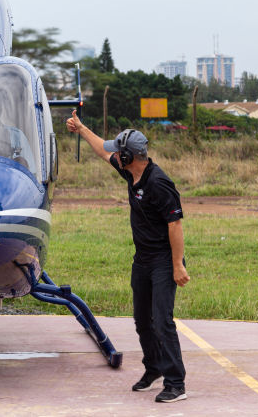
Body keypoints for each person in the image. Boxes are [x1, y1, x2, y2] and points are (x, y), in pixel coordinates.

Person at [67, 110, 190, 403]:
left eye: (118, 152)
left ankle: (176, 383)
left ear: (128, 156)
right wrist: (82, 129)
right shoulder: (130, 171)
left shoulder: (159, 183)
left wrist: (177, 265)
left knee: (162, 321)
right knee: (142, 321)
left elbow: (175, 224)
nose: (114, 155)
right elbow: (101, 150)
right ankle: (154, 369)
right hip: (142, 260)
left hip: (163, 260)